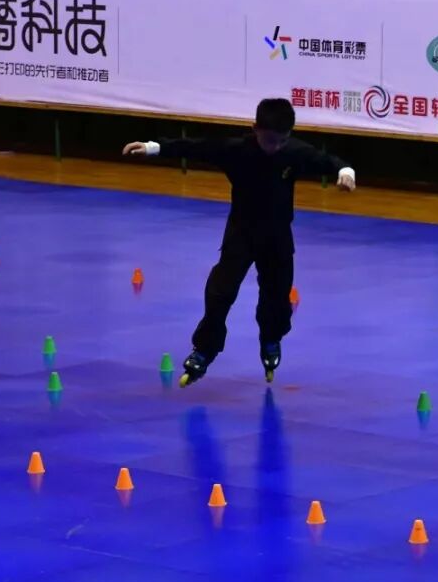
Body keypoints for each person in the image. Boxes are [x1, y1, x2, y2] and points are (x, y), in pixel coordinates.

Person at [122, 98, 355, 387]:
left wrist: (346, 173)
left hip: (278, 238)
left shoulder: (294, 152)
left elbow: (331, 161)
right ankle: (204, 349)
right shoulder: (237, 150)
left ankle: (271, 338)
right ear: (254, 129)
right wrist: (152, 147)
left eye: (281, 141)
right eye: (269, 140)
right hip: (241, 234)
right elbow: (196, 147)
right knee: (219, 293)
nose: (275, 147)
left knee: (276, 298)